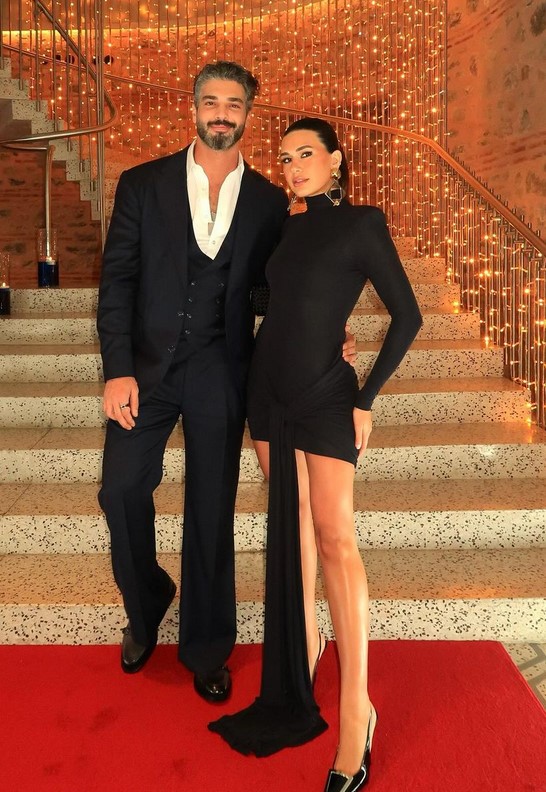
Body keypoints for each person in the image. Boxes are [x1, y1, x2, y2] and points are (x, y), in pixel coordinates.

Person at [97, 63, 355, 704]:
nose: (221, 113)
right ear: (193, 108)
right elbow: (118, 281)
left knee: (212, 507)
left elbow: (276, 288)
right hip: (146, 369)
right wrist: (118, 368)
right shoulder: (142, 183)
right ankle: (146, 601)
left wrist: (329, 332)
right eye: (210, 101)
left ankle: (208, 647)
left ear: (247, 115)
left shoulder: (269, 201)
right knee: (121, 489)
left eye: (233, 104)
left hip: (222, 368)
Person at [209, 118, 423, 790]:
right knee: (294, 534)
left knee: (334, 539)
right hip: (267, 391)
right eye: (285, 158)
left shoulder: (362, 223)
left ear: (336, 159)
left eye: (306, 154)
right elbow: (274, 301)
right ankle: (302, 656)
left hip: (327, 395)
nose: (294, 166)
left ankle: (358, 709)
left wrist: (365, 398)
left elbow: (409, 315)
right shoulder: (286, 227)